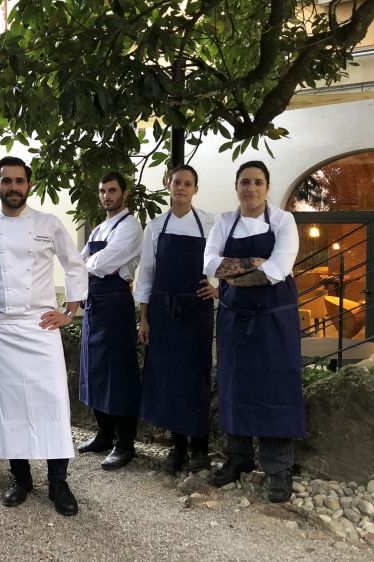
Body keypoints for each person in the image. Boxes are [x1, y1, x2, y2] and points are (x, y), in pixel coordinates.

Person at [0, 156, 88, 517]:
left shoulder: (48, 223)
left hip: (42, 327)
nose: (13, 187)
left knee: (53, 402)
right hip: (1, 329)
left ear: (29, 185)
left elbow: (75, 265)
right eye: (6, 181)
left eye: (19, 181)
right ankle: (20, 478)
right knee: (8, 407)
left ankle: (59, 481)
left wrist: (69, 312)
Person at [203, 160, 304, 503]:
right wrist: (255, 263)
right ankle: (238, 459)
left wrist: (233, 273)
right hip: (234, 318)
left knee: (276, 387)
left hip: (274, 320)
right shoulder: (224, 222)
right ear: (237, 187)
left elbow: (278, 270)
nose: (251, 188)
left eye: (258, 182)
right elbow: (209, 264)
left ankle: (278, 468)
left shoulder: (283, 221)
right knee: (235, 385)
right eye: (245, 182)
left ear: (267, 187)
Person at [135, 164, 217, 474]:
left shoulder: (210, 223)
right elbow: (146, 274)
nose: (181, 187)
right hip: (163, 312)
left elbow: (219, 260)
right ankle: (177, 447)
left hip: (196, 309)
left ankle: (200, 448)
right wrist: (144, 318)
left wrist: (217, 288)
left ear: (195, 189)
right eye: (176, 182)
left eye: (187, 183)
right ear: (167, 186)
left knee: (195, 377)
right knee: (168, 378)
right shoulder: (155, 227)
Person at [78, 171, 143, 470]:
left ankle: (125, 443)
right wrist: (86, 269)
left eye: (113, 190)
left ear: (124, 193)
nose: (107, 196)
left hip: (116, 304)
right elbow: (79, 263)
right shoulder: (98, 229)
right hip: (94, 304)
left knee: (119, 372)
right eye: (103, 191)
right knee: (94, 370)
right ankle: (104, 434)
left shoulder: (130, 227)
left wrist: (85, 268)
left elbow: (106, 261)